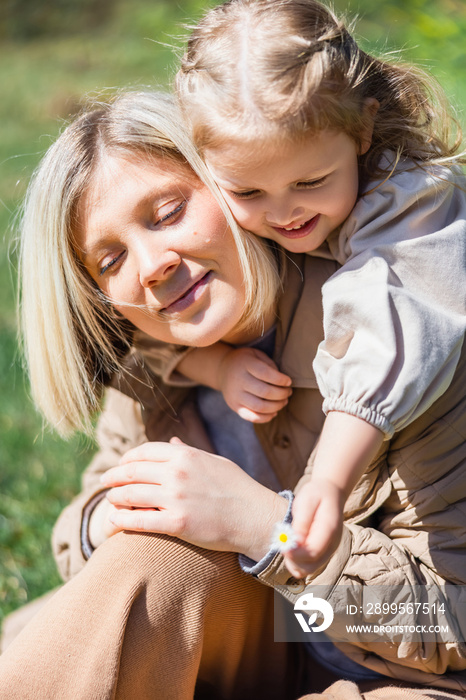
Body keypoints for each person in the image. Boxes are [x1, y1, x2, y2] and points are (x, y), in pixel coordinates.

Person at [1, 89, 466, 700]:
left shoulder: (395, 335)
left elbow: (449, 626)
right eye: (110, 259)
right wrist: (114, 517)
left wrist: (263, 527)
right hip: (241, 653)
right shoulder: (153, 363)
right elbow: (79, 536)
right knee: (143, 559)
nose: (150, 267)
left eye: (167, 212)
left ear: (233, 183)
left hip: (398, 680)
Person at [172, 0, 466, 578]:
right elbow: (133, 339)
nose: (284, 213)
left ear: (361, 130)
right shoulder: (232, 220)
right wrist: (212, 365)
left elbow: (389, 325)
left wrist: (328, 479)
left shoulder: (412, 204)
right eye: (248, 193)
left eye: (309, 181)